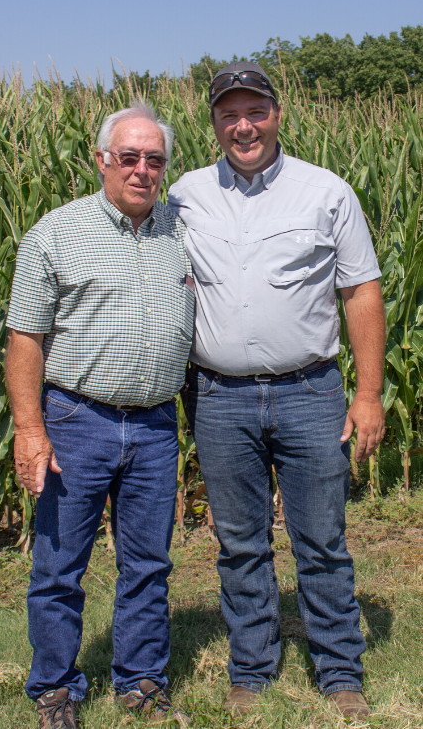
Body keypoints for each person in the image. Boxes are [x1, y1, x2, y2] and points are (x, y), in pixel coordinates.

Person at [168, 61, 385, 721]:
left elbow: (361, 292)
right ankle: (251, 667)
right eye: (228, 114)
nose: (243, 125)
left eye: (254, 111)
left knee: (321, 540)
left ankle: (339, 670)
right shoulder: (184, 195)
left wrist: (368, 393)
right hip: (219, 396)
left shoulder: (325, 192)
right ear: (213, 122)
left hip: (308, 391)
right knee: (239, 544)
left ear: (276, 114)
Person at [6, 102, 194, 729]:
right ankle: (55, 688)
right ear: (102, 161)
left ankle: (141, 680)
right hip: (73, 419)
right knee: (60, 564)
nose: (142, 169)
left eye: (155, 159)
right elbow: (24, 338)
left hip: (154, 425)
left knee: (148, 563)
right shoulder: (55, 234)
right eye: (129, 157)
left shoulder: (180, 232)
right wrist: (30, 429)